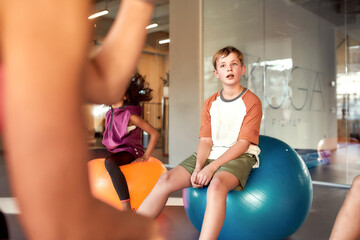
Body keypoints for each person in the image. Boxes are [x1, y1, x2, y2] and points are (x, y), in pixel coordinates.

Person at [1, 0, 163, 239]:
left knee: (107, 164)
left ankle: (126, 203)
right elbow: (64, 224)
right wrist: (145, 231)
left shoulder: (126, 113)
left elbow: (104, 82)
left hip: (128, 153)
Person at [136, 46, 262, 240]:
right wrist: (198, 168)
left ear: (242, 69)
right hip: (211, 153)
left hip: (239, 155)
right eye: (223, 65)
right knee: (165, 180)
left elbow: (243, 144)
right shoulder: (210, 102)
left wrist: (210, 169)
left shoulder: (252, 101)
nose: (229, 69)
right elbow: (205, 140)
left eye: (234, 64)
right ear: (216, 73)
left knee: (216, 186)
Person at [102, 72, 159, 211]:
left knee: (109, 162)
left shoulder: (130, 116)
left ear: (125, 96)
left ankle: (126, 208)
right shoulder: (109, 114)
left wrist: (146, 155)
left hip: (128, 151)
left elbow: (154, 133)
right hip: (113, 150)